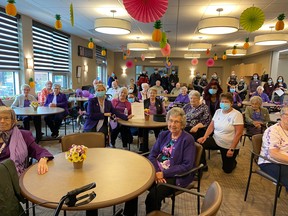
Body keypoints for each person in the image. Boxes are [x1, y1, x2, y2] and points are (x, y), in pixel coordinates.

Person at [123, 107, 196, 215]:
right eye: (171, 120)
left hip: (175, 175)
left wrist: (163, 173)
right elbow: (153, 154)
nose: (173, 124)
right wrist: (157, 172)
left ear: (182, 124)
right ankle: (128, 214)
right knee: (133, 185)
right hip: (157, 170)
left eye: (176, 122)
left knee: (152, 197)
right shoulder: (164, 134)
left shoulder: (187, 139)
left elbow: (186, 165)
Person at [198, 93, 244, 173]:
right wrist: (205, 137)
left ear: (231, 103)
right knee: (199, 145)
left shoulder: (237, 114)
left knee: (227, 170)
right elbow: (211, 126)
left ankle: (233, 161)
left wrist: (232, 149)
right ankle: (203, 165)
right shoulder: (218, 112)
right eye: (222, 102)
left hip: (229, 145)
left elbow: (239, 133)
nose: (223, 104)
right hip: (216, 140)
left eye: (226, 102)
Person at [0, 106, 53, 175]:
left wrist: (43, 159)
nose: (2, 121)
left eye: (6, 118)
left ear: (13, 120)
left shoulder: (24, 135)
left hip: (14, 175)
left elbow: (40, 151)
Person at [258, 106, 288, 192]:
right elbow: (274, 154)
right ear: (281, 116)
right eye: (287, 115)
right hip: (271, 162)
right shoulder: (273, 131)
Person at [139, 88, 166, 153]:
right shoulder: (145, 101)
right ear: (148, 94)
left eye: (154, 93)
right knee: (143, 129)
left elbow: (164, 112)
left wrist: (160, 116)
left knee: (158, 130)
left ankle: (158, 146)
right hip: (146, 120)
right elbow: (140, 111)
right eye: (151, 93)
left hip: (156, 120)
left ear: (156, 94)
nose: (152, 94)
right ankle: (144, 148)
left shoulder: (159, 101)